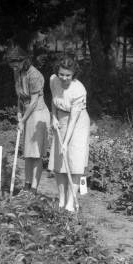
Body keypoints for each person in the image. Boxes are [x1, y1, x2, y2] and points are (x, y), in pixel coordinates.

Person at [6, 46, 50, 193]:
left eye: (16, 63)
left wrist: (22, 120)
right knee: (27, 153)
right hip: (26, 114)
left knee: (35, 153)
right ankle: (26, 185)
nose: (13, 67)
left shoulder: (34, 75)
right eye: (11, 64)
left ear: (24, 60)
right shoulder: (17, 73)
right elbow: (20, 97)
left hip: (38, 114)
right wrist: (19, 113)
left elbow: (34, 101)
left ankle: (34, 189)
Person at [49, 55, 90, 212]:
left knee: (74, 162)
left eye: (68, 75)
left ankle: (70, 203)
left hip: (78, 124)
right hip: (60, 119)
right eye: (62, 74)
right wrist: (53, 117)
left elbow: (74, 119)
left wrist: (65, 142)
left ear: (73, 75)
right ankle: (61, 200)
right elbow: (54, 99)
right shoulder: (53, 80)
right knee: (59, 161)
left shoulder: (79, 90)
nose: (64, 78)